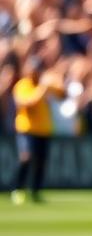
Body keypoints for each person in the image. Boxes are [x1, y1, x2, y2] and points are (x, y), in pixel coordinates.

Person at [10, 58, 62, 204]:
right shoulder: (23, 85)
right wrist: (43, 89)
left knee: (41, 162)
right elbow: (27, 103)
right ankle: (17, 189)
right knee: (26, 157)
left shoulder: (45, 85)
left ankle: (36, 191)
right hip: (27, 129)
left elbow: (62, 94)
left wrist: (56, 79)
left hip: (43, 130)